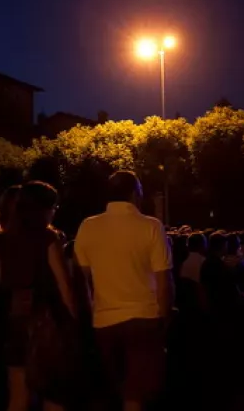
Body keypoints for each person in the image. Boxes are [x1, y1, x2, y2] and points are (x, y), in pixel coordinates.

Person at [75, 171, 174, 411]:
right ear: (134, 194)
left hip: (104, 321)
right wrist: (166, 318)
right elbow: (163, 281)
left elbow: (81, 280)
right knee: (136, 394)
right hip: (144, 318)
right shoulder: (151, 226)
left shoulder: (88, 226)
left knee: (111, 391)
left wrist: (91, 315)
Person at [0, 181, 78, 411]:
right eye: (53, 207)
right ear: (44, 209)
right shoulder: (48, 239)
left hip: (15, 320)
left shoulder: (3, 241)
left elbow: (4, 282)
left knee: (19, 395)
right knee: (54, 394)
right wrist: (75, 323)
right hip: (46, 322)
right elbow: (65, 286)